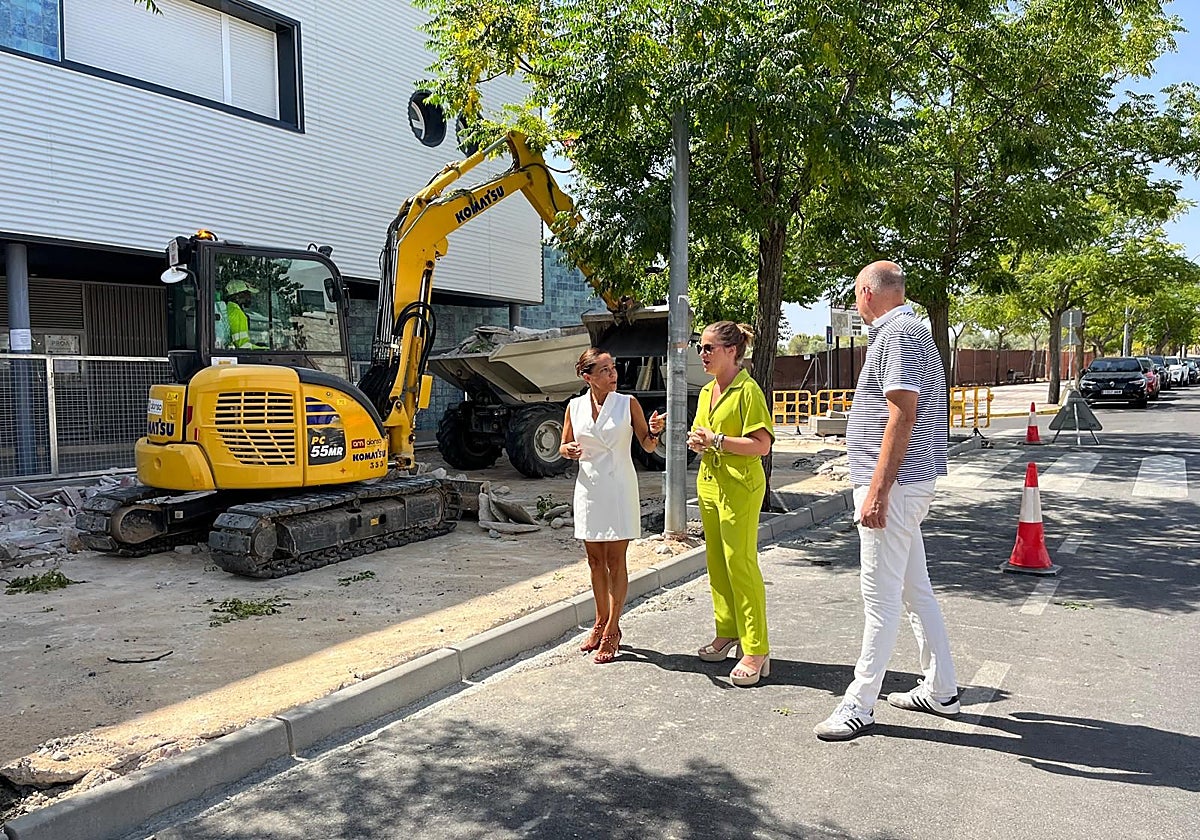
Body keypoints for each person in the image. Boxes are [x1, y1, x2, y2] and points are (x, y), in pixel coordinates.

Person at [813, 260, 958, 742]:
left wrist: (877, 490)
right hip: (909, 484)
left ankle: (860, 703)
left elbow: (903, 412)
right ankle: (941, 688)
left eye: (855, 294)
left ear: (867, 293)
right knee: (916, 591)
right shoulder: (914, 329)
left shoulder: (897, 333)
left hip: (895, 489)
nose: (856, 303)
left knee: (878, 598)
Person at [559, 348, 665, 664]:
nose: (613, 374)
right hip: (589, 488)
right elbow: (564, 445)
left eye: (613, 368)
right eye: (605, 370)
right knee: (594, 560)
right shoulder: (574, 407)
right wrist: (568, 451)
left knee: (615, 560)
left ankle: (613, 628)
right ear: (587, 377)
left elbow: (646, 444)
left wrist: (654, 432)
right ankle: (599, 620)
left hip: (619, 486)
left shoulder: (628, 403)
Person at [686, 322, 775, 687]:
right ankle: (728, 631)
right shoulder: (708, 390)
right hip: (709, 483)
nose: (703, 354)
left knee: (741, 562)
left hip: (741, 485)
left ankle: (756, 648)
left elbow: (762, 445)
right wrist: (699, 442)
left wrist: (718, 440)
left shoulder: (747, 390)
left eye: (709, 348)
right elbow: (703, 433)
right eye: (700, 348)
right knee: (717, 563)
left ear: (731, 351)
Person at [224, 279, 261, 349]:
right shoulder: (236, 313)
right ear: (238, 296)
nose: (250, 297)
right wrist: (268, 349)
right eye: (247, 294)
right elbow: (243, 346)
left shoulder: (228, 308)